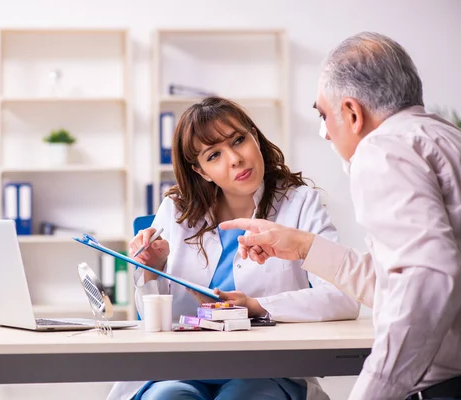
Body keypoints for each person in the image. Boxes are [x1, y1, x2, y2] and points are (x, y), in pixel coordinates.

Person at [219, 32, 461, 400]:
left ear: (351, 112)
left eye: (323, 114)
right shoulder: (443, 136)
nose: (325, 132)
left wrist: (375, 391)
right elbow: (402, 284)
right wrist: (303, 245)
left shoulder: (382, 151)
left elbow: (426, 279)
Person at [106, 96, 359, 400]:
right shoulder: (175, 210)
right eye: (214, 155)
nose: (235, 159)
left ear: (255, 135)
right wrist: (152, 269)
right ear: (200, 171)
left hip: (267, 368)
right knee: (168, 397)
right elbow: (153, 320)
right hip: (181, 366)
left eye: (239, 140)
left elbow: (344, 297)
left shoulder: (300, 203)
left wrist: (256, 307)